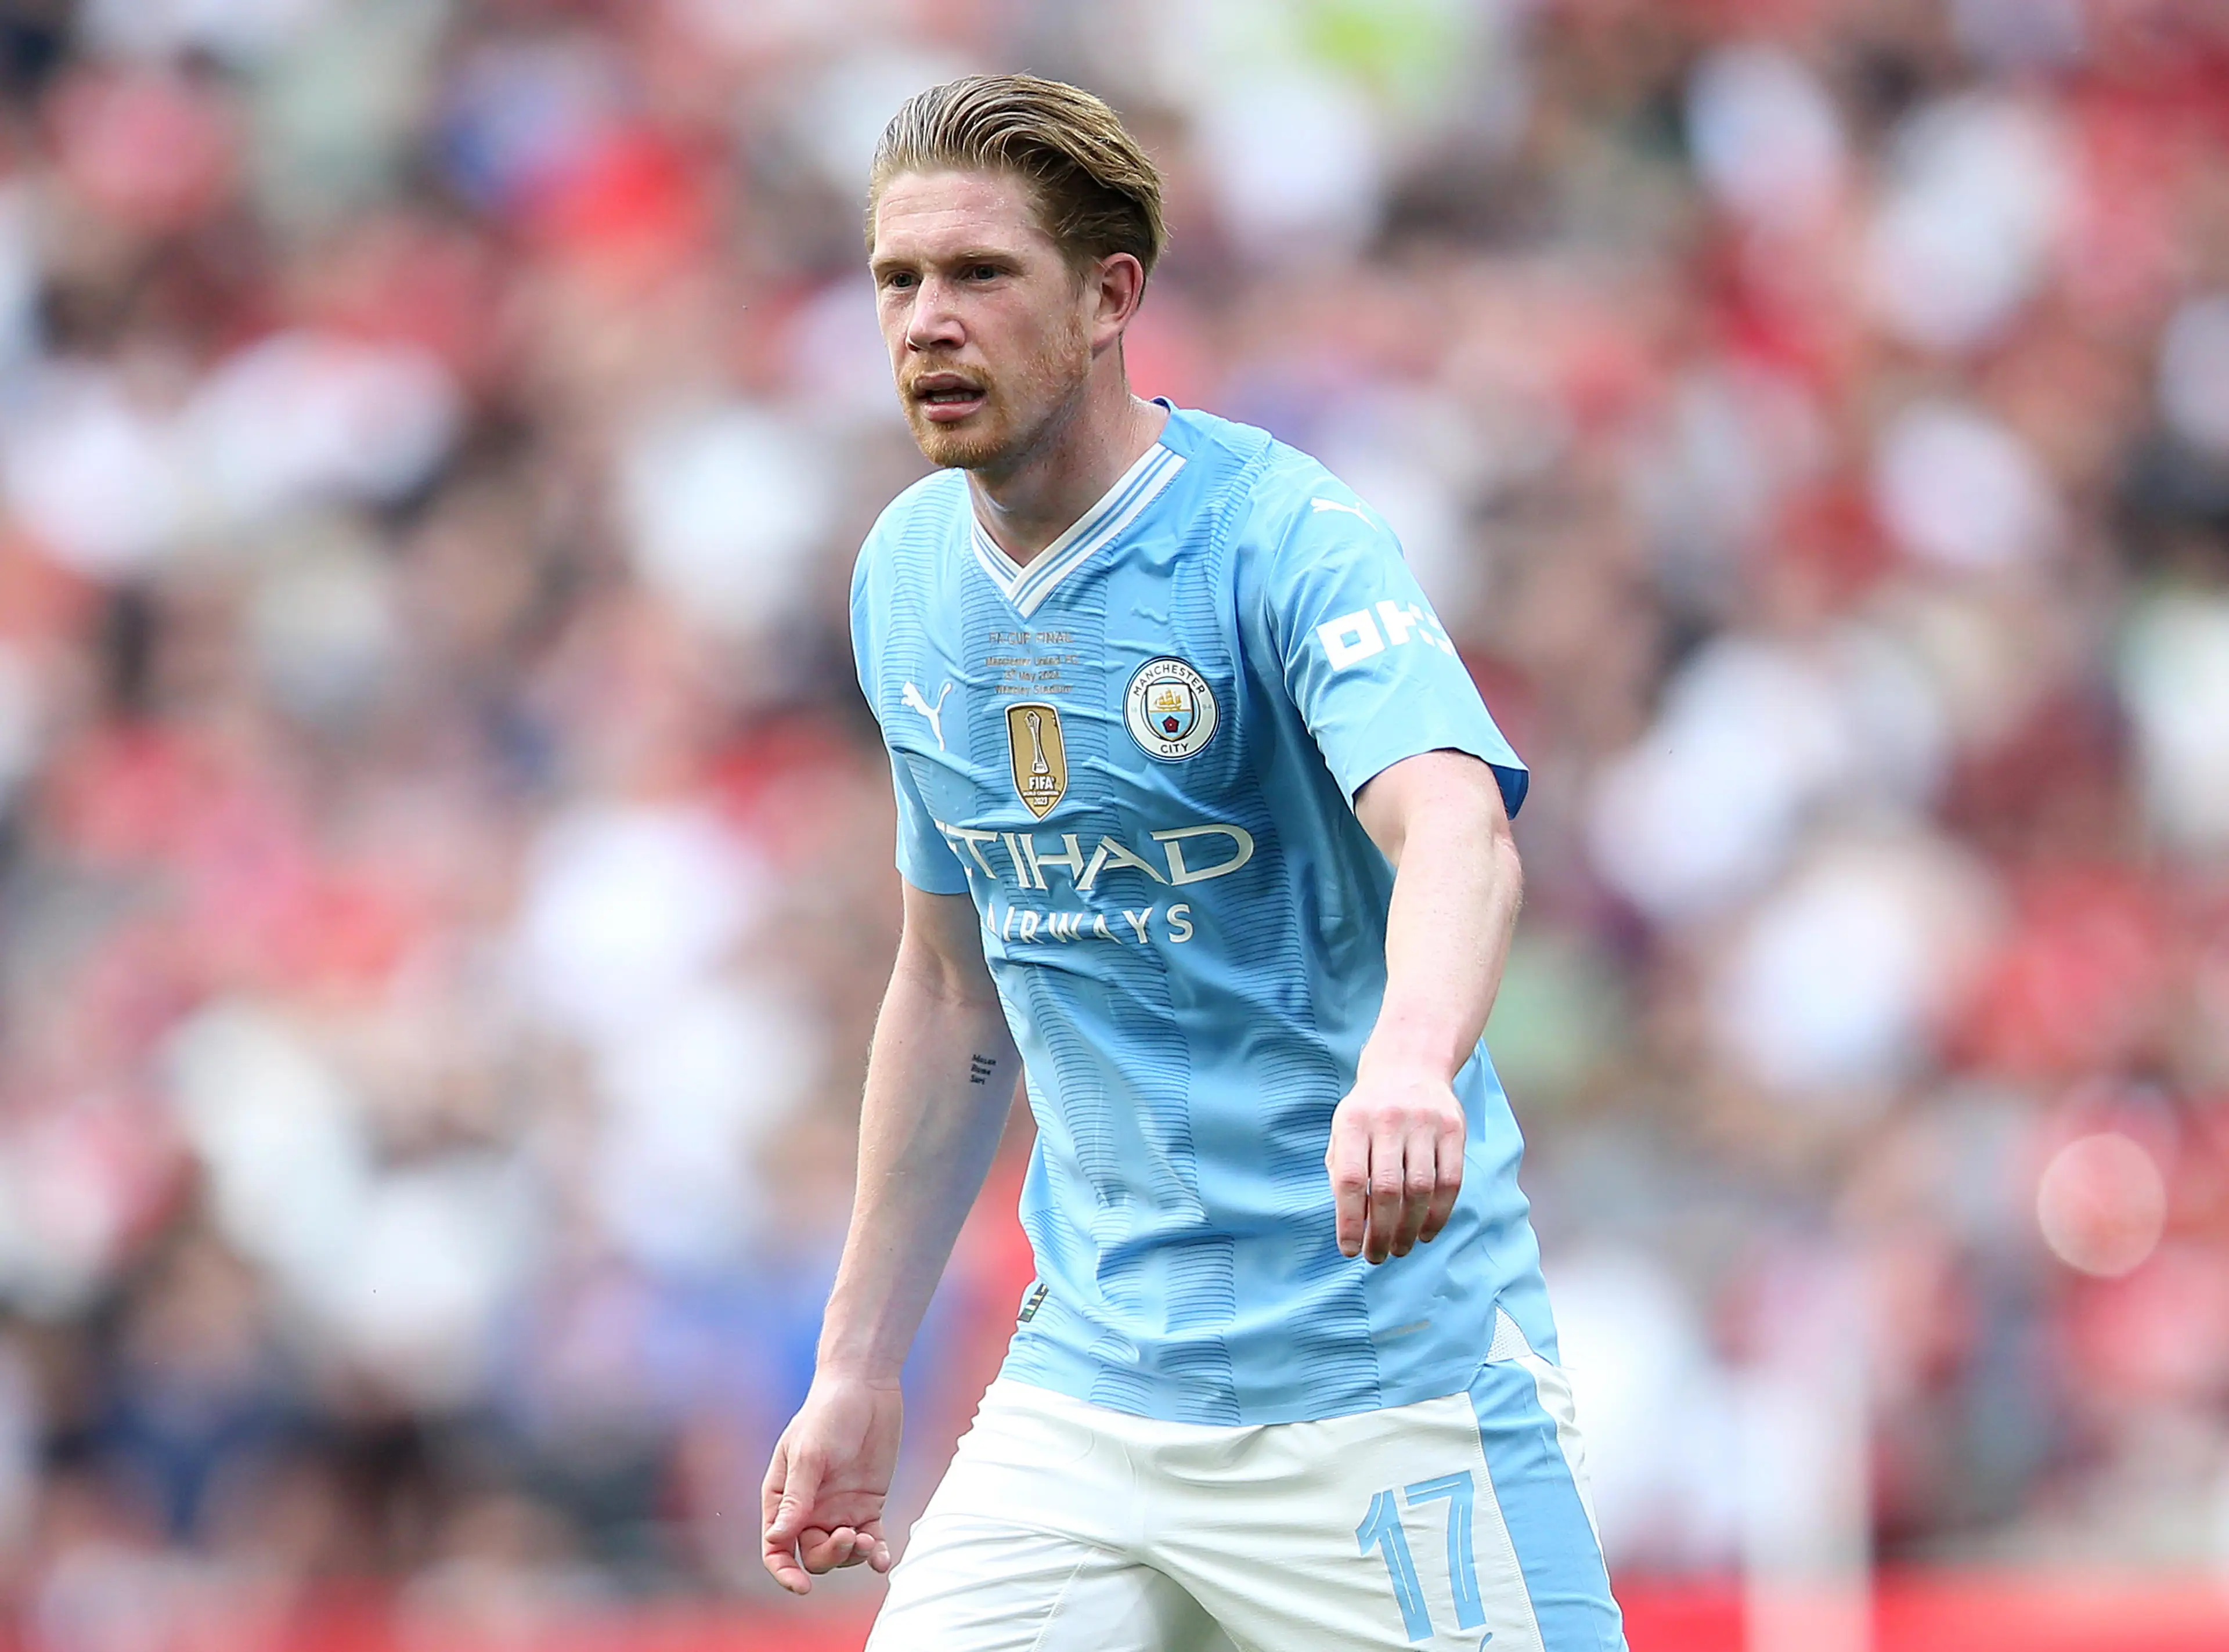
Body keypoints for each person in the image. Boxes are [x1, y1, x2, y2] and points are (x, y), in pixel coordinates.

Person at [760, 73, 1626, 1652]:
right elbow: (955, 987)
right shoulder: (903, 579)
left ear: (1110, 299)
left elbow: (1456, 822)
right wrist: (858, 1362)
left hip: (1379, 1376)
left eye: (978, 275)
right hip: (1091, 1393)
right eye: (899, 280)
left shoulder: (1281, 538)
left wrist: (1413, 1061)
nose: (927, 321)